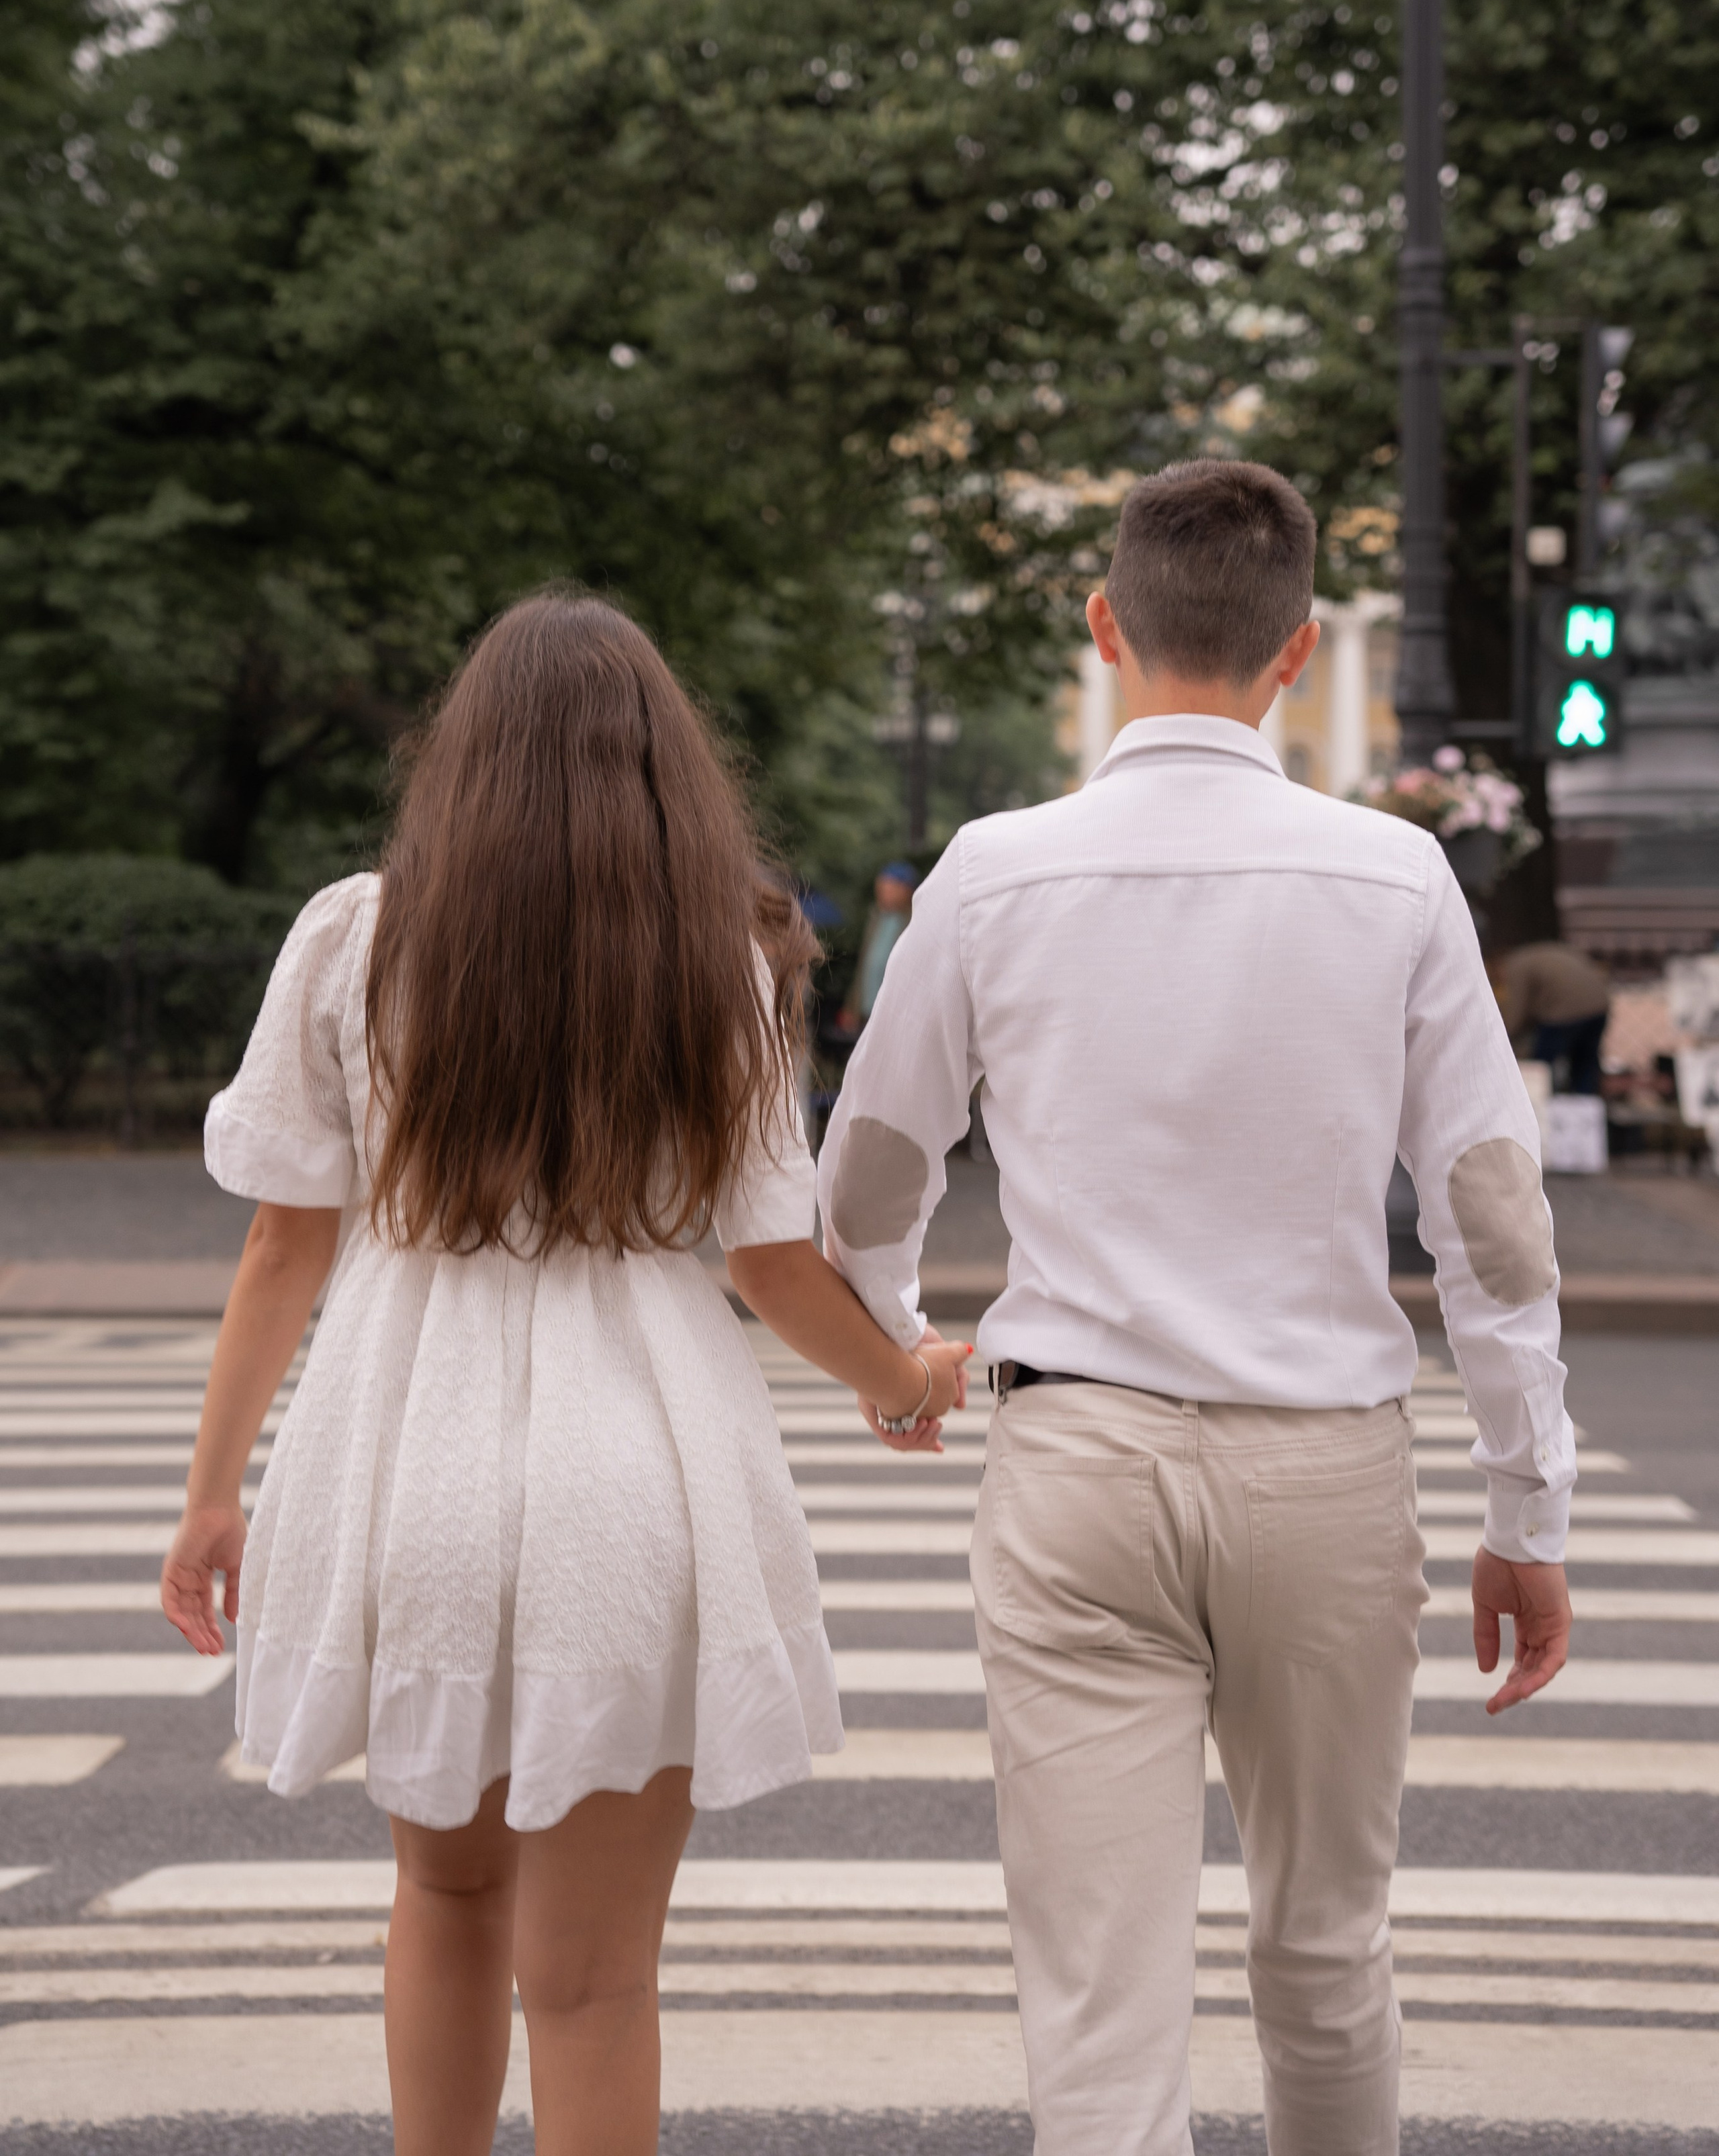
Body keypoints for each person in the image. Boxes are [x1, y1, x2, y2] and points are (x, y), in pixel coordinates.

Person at [819, 461, 1576, 2156]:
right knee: (1324, 1947)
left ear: (1104, 624)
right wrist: (1524, 1502)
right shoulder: (1392, 878)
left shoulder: (992, 869)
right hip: (1321, 1466)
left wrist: (888, 1352)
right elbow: (1488, 1217)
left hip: (1076, 1458)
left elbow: (870, 1165)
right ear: (1296, 651)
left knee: (1098, 2003)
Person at [160, 594, 969, 2156]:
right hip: (633, 1462)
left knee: (441, 1895)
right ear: (666, 774)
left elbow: (281, 1244)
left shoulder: (351, 934)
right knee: (594, 1977)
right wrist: (904, 1377)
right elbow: (770, 1260)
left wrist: (211, 1495)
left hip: (413, 1447)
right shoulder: (710, 960)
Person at [1495, 939, 1612, 1096]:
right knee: (1585, 1064)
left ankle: (1538, 1106)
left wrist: (1500, 1039)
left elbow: (1515, 1011)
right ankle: (1587, 1109)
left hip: (1564, 1011)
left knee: (1540, 1067)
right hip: (1599, 1006)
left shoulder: (1514, 965)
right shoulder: (1544, 952)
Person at [837, 860, 918, 1035]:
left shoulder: (915, 922)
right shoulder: (876, 918)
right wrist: (852, 1006)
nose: (882, 893)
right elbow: (863, 966)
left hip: (897, 1012)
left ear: (905, 890)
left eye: (888, 888)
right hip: (868, 1009)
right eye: (880, 888)